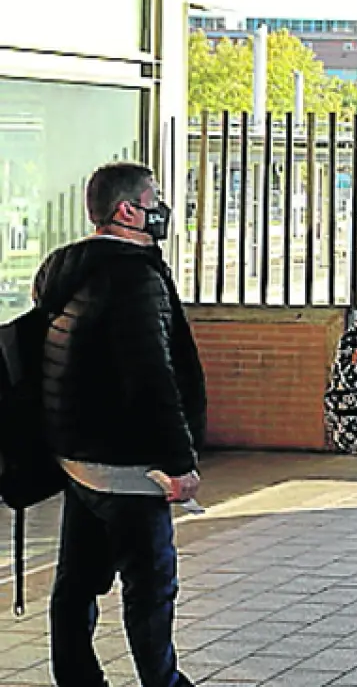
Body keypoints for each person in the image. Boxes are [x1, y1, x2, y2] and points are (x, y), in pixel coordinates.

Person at [37, 163, 205, 687]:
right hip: (128, 467)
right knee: (151, 589)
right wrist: (180, 463)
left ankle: (77, 678)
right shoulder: (132, 276)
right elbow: (152, 376)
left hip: (78, 458)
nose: (162, 209)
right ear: (127, 210)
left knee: (76, 585)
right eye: (153, 198)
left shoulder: (71, 269)